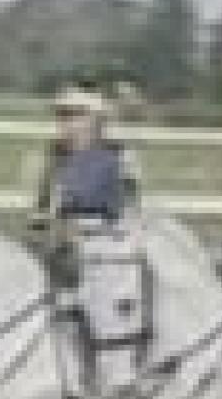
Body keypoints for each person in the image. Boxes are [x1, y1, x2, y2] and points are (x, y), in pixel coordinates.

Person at [29, 77, 140, 287]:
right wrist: (45, 230)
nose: (65, 122)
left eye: (74, 115)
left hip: (107, 247)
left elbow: (129, 214)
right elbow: (40, 213)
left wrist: (85, 233)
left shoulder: (117, 156)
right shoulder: (54, 156)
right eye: (62, 115)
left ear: (95, 119)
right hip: (63, 246)